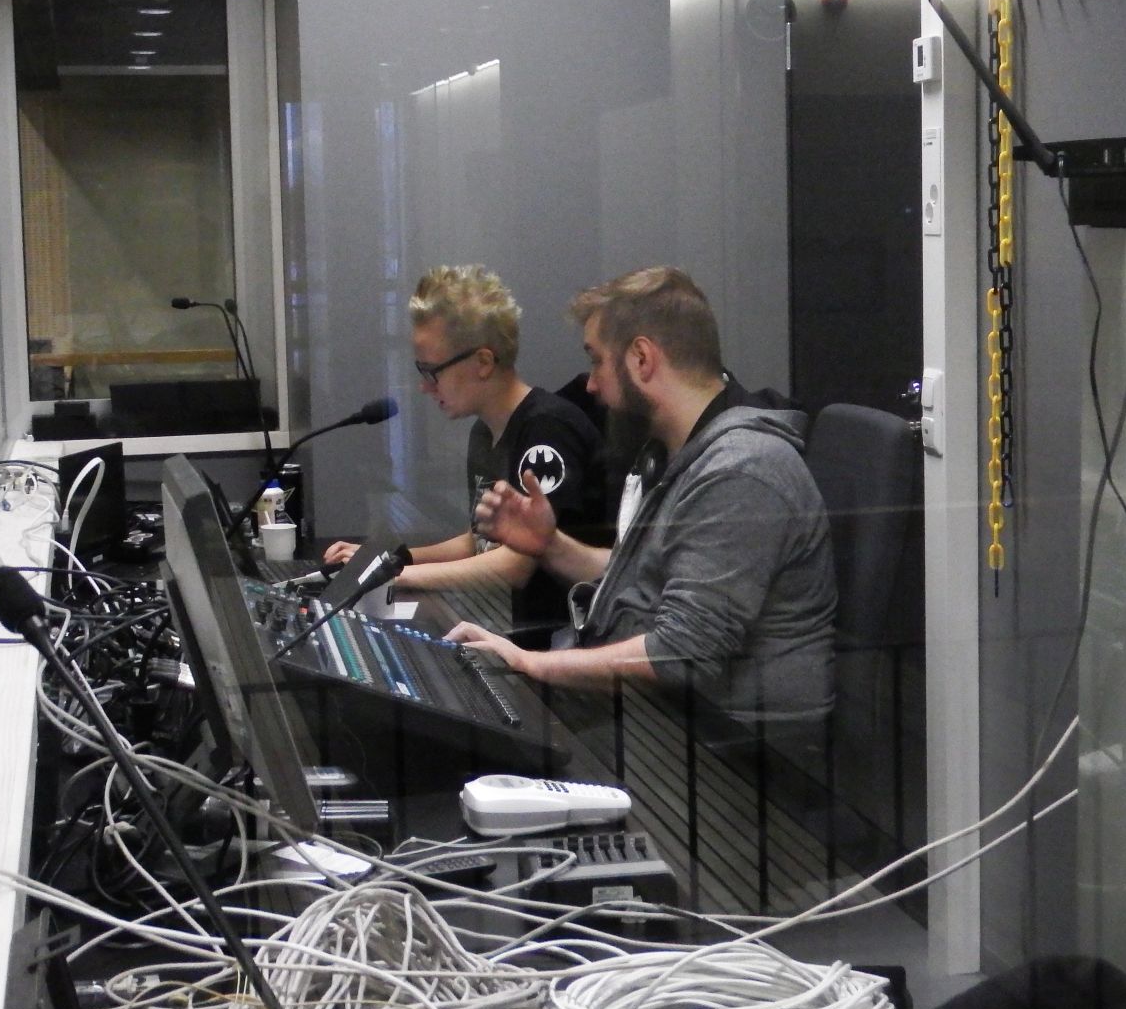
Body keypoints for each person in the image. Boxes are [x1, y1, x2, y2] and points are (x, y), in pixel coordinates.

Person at [446, 266, 836, 727]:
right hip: (668, 717)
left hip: (729, 745)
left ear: (642, 359)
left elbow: (682, 653)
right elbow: (647, 576)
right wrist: (550, 545)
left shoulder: (741, 471)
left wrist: (530, 663)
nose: (590, 384)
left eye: (597, 361)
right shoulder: (676, 453)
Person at [323, 265, 605, 637]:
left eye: (432, 371)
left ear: (483, 362)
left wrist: (394, 576)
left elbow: (519, 563)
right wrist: (390, 560)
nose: (425, 387)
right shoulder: (484, 432)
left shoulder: (547, 431)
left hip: (564, 637)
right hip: (519, 631)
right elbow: (480, 541)